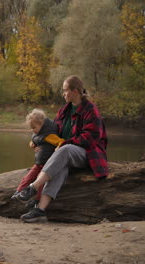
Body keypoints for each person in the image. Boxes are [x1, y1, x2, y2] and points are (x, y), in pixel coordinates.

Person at [16, 75, 108, 223]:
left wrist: (66, 143)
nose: (63, 94)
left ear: (75, 91)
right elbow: (52, 134)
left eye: (65, 90)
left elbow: (91, 138)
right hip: (64, 155)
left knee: (65, 149)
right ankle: (40, 210)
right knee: (60, 166)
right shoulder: (64, 111)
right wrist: (40, 144)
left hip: (88, 154)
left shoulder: (91, 109)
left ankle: (33, 187)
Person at [11, 109, 65, 208]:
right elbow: (34, 140)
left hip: (47, 165)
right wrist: (32, 145)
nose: (32, 130)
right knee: (28, 177)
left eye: (34, 127)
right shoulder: (38, 133)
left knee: (41, 183)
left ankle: (37, 200)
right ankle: (18, 192)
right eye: (31, 128)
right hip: (38, 163)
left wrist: (58, 147)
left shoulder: (49, 135)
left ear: (42, 124)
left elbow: (61, 141)